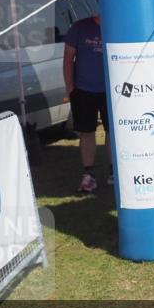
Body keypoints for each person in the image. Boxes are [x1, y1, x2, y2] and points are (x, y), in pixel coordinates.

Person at [63, 13, 111, 193]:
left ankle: (114, 171)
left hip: (111, 90)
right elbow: (68, 58)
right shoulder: (79, 27)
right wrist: (70, 88)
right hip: (83, 90)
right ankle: (88, 174)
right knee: (87, 132)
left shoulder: (116, 22)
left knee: (113, 131)